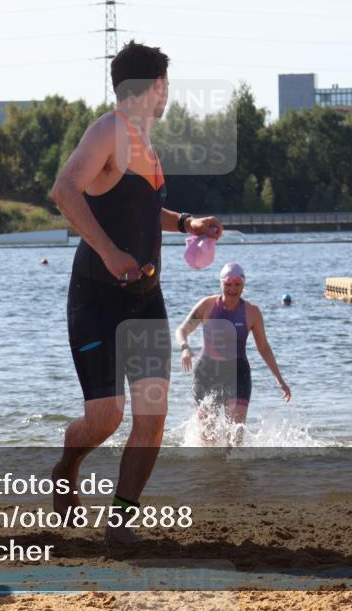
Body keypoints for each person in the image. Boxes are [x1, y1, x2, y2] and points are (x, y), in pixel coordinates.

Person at [49, 41, 222, 543]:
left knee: (152, 418)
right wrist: (108, 253)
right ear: (152, 88)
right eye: (165, 85)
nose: (168, 94)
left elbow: (145, 213)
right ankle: (67, 464)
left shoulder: (147, 147)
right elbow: (64, 190)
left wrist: (189, 221)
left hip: (147, 299)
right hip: (96, 297)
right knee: (106, 417)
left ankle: (120, 522)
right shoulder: (108, 131)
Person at [176, 263, 291, 446]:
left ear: (243, 285)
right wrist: (184, 348)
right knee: (207, 430)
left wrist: (280, 379)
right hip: (207, 372)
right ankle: (209, 470)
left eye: (237, 285)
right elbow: (182, 330)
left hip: (237, 372)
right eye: (228, 284)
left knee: (235, 433)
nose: (232, 289)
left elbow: (264, 348)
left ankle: (233, 471)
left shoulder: (252, 312)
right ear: (221, 284)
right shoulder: (207, 305)